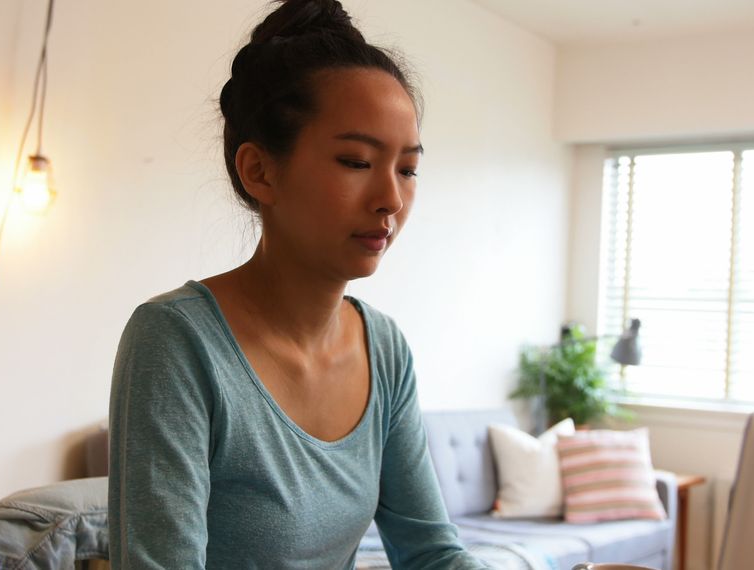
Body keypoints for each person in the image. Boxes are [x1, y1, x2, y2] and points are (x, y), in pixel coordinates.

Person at [108, 1, 489, 567]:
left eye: (407, 168)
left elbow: (432, 553)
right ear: (260, 170)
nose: (391, 199)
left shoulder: (383, 349)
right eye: (356, 161)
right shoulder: (176, 342)